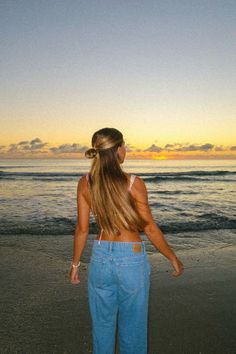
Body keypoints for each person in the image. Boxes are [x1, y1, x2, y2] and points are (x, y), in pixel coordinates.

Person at [69, 127, 184, 354]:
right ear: (118, 149)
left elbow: (82, 229)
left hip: (100, 258)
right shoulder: (134, 183)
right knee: (133, 327)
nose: (126, 149)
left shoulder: (85, 183)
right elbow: (149, 228)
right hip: (130, 259)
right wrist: (172, 257)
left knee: (102, 326)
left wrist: (75, 265)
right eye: (124, 145)